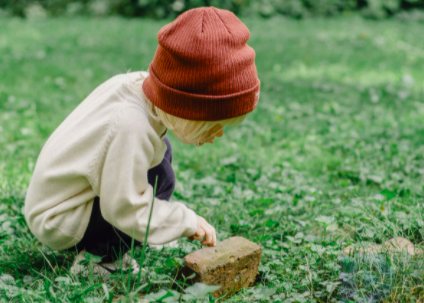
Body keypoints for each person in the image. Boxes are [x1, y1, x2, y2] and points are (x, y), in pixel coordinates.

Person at [23, 6, 260, 276]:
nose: (217, 135)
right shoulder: (129, 126)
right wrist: (184, 221)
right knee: (147, 189)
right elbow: (124, 209)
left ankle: (144, 230)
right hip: (59, 216)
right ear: (185, 106)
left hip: (75, 194)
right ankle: (98, 260)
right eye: (213, 125)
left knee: (161, 167)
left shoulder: (145, 92)